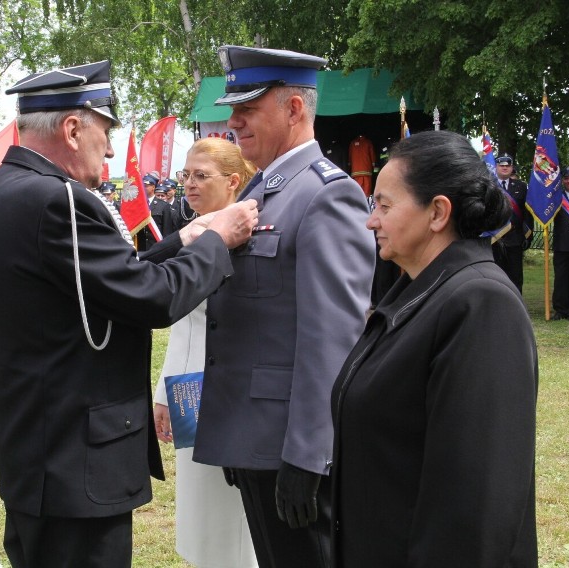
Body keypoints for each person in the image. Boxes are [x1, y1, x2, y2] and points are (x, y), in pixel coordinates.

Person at [0, 60, 258, 568]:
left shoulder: (11, 188)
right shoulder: (57, 199)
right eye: (105, 130)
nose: (110, 146)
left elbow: (97, 284)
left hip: (43, 447)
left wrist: (178, 243)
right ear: (73, 128)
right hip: (73, 456)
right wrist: (216, 240)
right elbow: (149, 298)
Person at [192, 45, 374, 568]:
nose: (233, 121)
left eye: (248, 107)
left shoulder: (325, 195)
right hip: (256, 437)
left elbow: (332, 340)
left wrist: (310, 454)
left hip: (290, 447)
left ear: (294, 109)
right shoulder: (264, 187)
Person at [330, 130, 538, 566]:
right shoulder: (418, 291)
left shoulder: (481, 304)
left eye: (384, 205)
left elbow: (474, 506)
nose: (372, 220)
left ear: (437, 212)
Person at [153, 137, 259, 568]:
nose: (190, 185)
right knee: (197, 502)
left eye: (202, 175)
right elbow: (180, 321)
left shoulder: (248, 230)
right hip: (187, 385)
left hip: (229, 386)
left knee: (230, 508)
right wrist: (163, 391)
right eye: (186, 175)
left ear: (234, 181)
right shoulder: (193, 231)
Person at [492, 153, 532, 292]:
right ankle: (497, 303)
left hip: (515, 238)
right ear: (496, 167)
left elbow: (527, 211)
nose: (504, 168)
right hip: (494, 239)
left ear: (511, 168)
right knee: (495, 275)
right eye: (501, 166)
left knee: (515, 276)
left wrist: (528, 234)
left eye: (507, 166)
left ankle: (516, 305)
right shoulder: (490, 186)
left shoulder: (521, 186)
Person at [552, 165, 569, 321]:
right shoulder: (554, 198)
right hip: (561, 244)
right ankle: (560, 309)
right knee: (560, 278)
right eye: (566, 178)